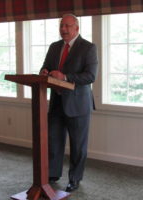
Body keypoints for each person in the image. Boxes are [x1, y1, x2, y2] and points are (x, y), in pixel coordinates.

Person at [40, 13, 98, 192]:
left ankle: (74, 179)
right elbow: (46, 67)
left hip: (78, 105)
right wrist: (44, 71)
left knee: (78, 146)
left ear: (76, 28)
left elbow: (90, 76)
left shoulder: (88, 47)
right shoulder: (54, 46)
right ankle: (53, 174)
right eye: (61, 26)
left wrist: (64, 76)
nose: (63, 29)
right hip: (56, 103)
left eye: (67, 26)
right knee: (54, 142)